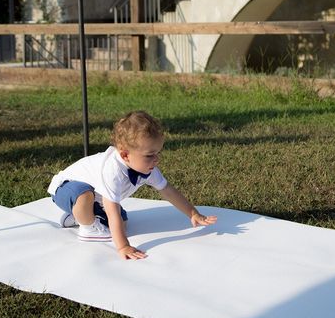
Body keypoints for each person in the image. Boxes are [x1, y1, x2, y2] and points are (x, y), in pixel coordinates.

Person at [47, 110, 217, 260]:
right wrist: (123, 246)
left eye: (158, 153)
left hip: (95, 198)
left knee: (124, 222)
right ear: (125, 155)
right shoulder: (112, 171)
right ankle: (87, 228)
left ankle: (78, 216)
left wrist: (193, 213)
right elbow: (112, 209)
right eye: (150, 155)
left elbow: (168, 191)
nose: (156, 159)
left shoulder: (147, 169)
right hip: (66, 188)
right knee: (85, 196)